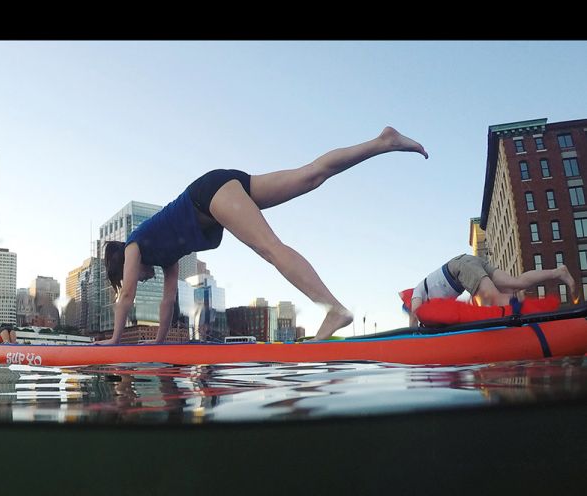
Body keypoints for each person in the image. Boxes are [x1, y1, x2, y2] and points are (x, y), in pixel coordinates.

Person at [97, 127, 429, 345]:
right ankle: (384, 141)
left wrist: (114, 341)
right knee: (310, 176)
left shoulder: (134, 245)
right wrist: (158, 347)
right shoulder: (164, 256)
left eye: (134, 278)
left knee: (270, 249)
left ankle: (335, 309)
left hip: (209, 194)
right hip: (220, 187)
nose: (139, 280)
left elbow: (125, 297)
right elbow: (168, 302)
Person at [403, 253, 577, 328]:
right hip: (469, 263)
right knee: (515, 283)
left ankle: (537, 310)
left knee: (495, 299)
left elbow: (415, 315)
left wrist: (412, 336)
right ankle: (558, 272)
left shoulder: (418, 292)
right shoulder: (435, 299)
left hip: (459, 268)